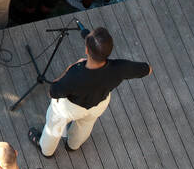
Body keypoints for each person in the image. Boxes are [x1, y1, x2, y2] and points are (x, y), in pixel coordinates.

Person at [29, 26, 151, 157]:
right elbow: (147, 69)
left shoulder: (75, 74)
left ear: (87, 50)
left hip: (70, 108)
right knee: (85, 124)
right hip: (99, 103)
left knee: (54, 126)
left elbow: (53, 91)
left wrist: (69, 69)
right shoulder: (120, 67)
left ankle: (47, 151)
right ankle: (73, 145)